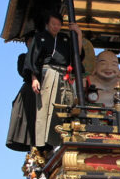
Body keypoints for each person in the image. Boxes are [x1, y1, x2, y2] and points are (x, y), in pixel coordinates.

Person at [28, 12, 94, 148]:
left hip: (65, 74)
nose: (56, 27)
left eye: (58, 24)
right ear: (47, 24)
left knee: (67, 104)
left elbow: (76, 54)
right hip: (49, 73)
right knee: (46, 106)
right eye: (53, 24)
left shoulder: (64, 38)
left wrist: (79, 34)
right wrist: (34, 78)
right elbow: (32, 60)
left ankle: (63, 137)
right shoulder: (39, 37)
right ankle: (44, 143)